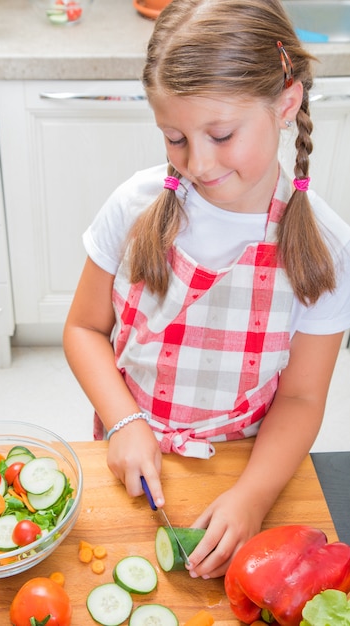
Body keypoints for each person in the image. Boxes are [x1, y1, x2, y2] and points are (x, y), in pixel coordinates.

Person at [63, 0, 350, 579]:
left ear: (286, 104)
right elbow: (83, 329)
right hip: (131, 453)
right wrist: (123, 422)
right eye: (174, 138)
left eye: (220, 134)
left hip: (246, 466)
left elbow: (299, 399)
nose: (196, 163)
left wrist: (252, 498)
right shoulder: (135, 205)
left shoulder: (326, 249)